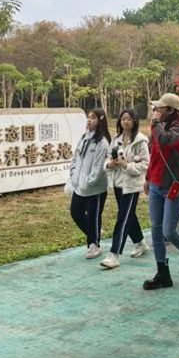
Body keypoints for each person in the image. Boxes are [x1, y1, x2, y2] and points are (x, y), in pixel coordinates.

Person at [142, 93, 179, 290]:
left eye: (160, 108)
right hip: (156, 184)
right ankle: (162, 273)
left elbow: (165, 141)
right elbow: (154, 153)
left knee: (169, 231)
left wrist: (155, 123)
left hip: (173, 185)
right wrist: (148, 178)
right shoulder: (160, 126)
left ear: (170, 110)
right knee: (156, 230)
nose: (157, 111)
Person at [101, 109, 151, 268]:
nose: (125, 122)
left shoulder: (140, 141)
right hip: (118, 183)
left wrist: (126, 166)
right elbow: (108, 157)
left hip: (132, 185)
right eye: (123, 119)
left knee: (123, 217)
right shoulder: (116, 139)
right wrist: (110, 164)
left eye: (129, 119)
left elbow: (145, 164)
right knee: (129, 215)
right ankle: (141, 242)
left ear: (135, 121)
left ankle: (114, 254)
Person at [69, 108, 111, 259]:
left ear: (100, 121)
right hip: (79, 185)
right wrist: (74, 175)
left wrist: (89, 182)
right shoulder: (84, 138)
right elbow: (76, 158)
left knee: (94, 216)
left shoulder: (102, 142)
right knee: (75, 212)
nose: (89, 120)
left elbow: (98, 167)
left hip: (95, 188)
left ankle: (94, 245)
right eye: (88, 117)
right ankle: (95, 233)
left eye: (93, 118)